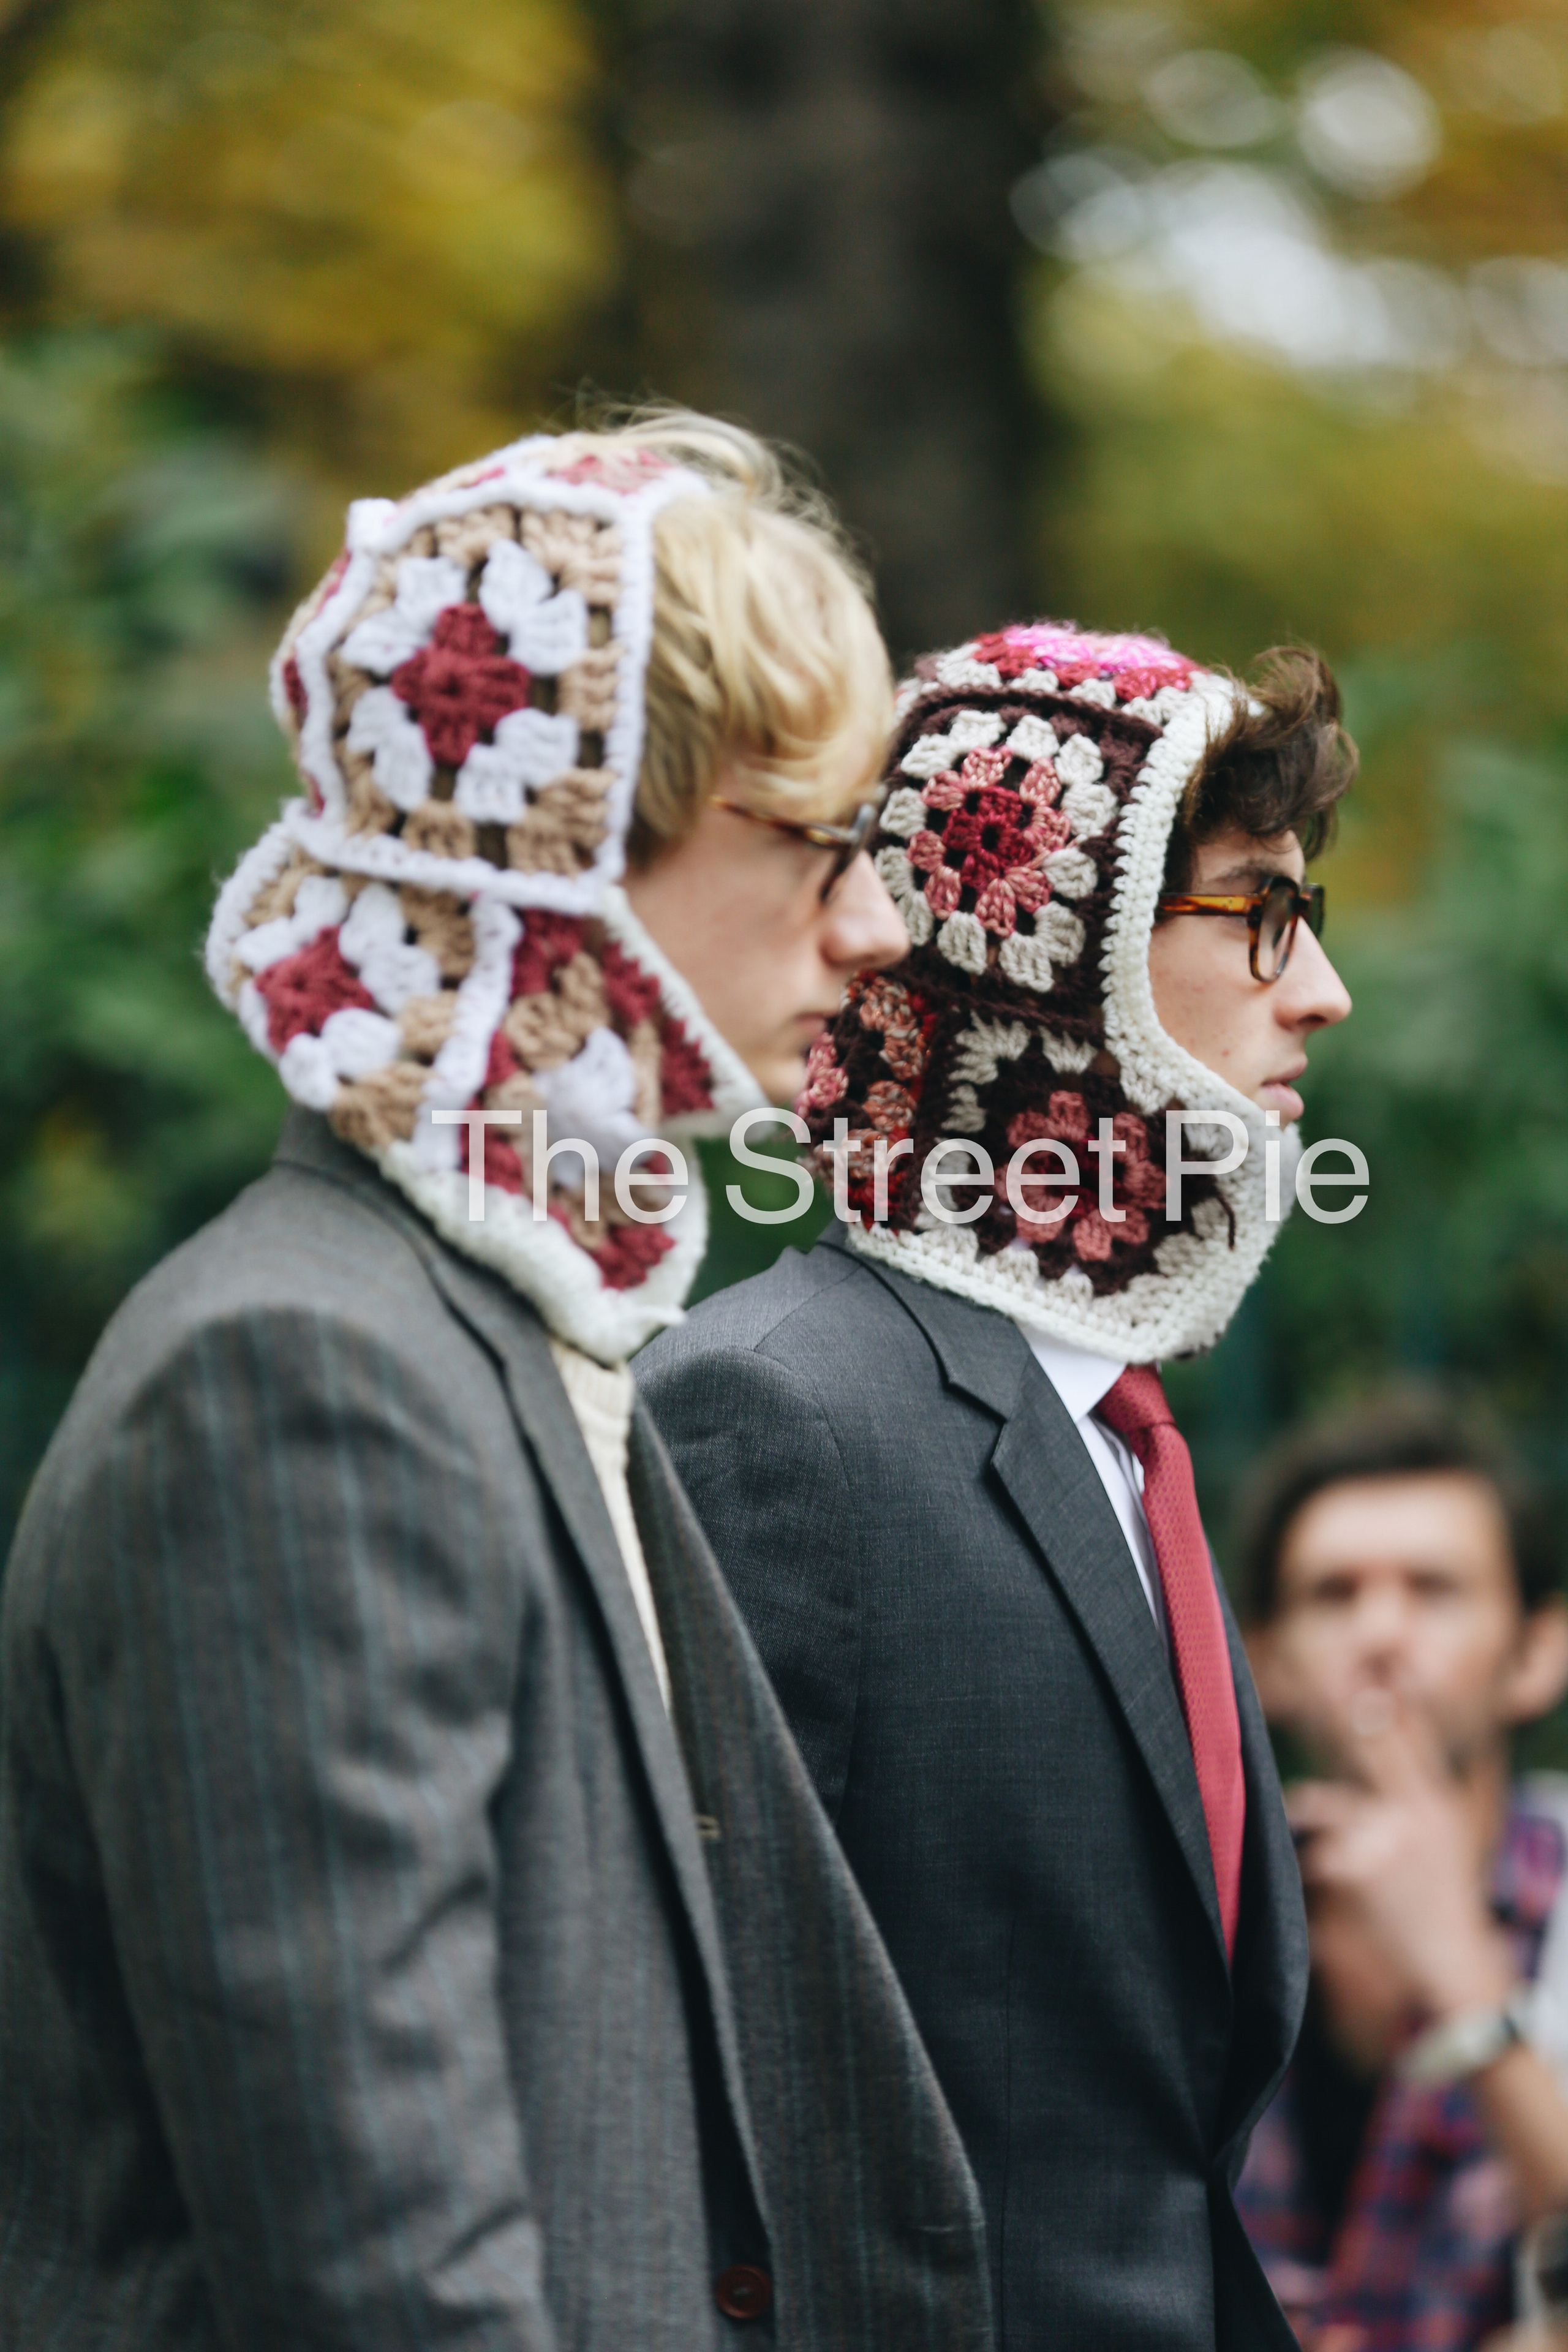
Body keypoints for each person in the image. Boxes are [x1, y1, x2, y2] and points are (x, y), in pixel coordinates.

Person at [0, 415, 997, 2350]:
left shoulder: (520, 1325)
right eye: (814, 843)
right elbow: (384, 2271)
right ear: (552, 861)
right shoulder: (297, 1381)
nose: (877, 929)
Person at [637, 619, 1357, 2350]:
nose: (1322, 989)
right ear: (1045, 960)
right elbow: (680, 2095)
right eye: (1258, 910)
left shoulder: (1126, 1433)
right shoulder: (772, 1413)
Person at [1234, 1390, 1568, 2352]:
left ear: (1537, 1654)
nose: (1382, 1633)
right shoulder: (1195, 1922)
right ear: (1266, 1660)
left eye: (1435, 1589)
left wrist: (1465, 1977)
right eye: (1333, 1594)